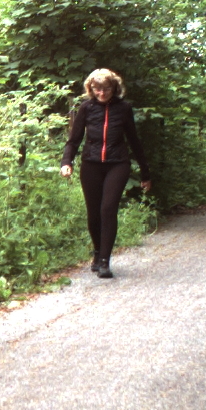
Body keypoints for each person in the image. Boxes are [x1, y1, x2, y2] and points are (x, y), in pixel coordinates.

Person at [59, 68, 151, 279]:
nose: (102, 93)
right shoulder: (86, 108)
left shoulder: (124, 108)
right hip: (91, 164)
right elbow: (74, 139)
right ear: (91, 89)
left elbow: (134, 140)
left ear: (114, 87)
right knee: (93, 213)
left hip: (117, 164)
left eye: (106, 88)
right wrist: (66, 162)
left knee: (108, 209)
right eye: (97, 89)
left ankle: (104, 261)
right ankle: (97, 250)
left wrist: (145, 173)